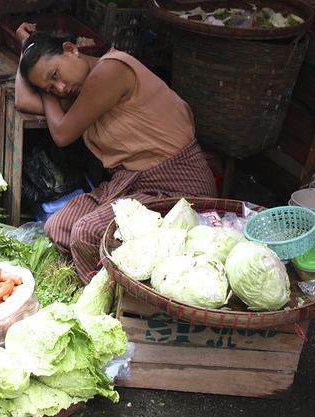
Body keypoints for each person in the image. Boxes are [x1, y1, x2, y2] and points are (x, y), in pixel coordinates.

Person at [14, 23, 217, 284]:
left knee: (86, 233)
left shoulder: (111, 71)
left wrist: (46, 88)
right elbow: (23, 100)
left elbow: (62, 134)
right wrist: (27, 51)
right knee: (59, 226)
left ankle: (111, 299)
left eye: (56, 74)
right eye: (51, 87)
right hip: (132, 184)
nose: (61, 88)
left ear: (71, 49)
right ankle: (100, 284)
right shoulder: (82, 89)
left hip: (177, 185)